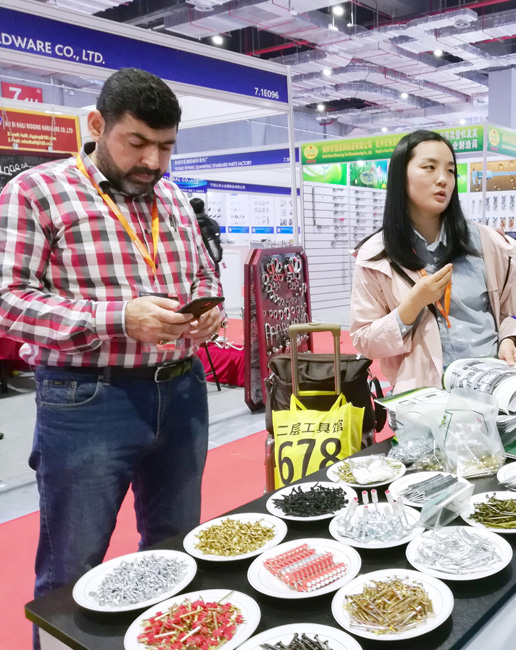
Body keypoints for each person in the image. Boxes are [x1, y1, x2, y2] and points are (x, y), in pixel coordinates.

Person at [0, 68, 223, 644]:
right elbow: (8, 300)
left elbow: (203, 274)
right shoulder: (37, 192)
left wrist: (209, 307)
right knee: (72, 568)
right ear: (97, 124)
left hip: (182, 390)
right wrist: (118, 319)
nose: (153, 161)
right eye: (137, 142)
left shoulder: (173, 197)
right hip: (87, 399)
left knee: (175, 550)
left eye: (166, 147)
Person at [350, 130, 516, 394]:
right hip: (423, 400)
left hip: (490, 391)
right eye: (429, 167)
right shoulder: (375, 256)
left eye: (450, 171)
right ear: (401, 176)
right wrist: (412, 306)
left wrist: (509, 339)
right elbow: (365, 340)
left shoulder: (488, 243)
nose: (443, 179)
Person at [190, 196, 223, 269]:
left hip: (194, 265)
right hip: (213, 264)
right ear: (203, 208)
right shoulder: (213, 223)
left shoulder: (188, 224)